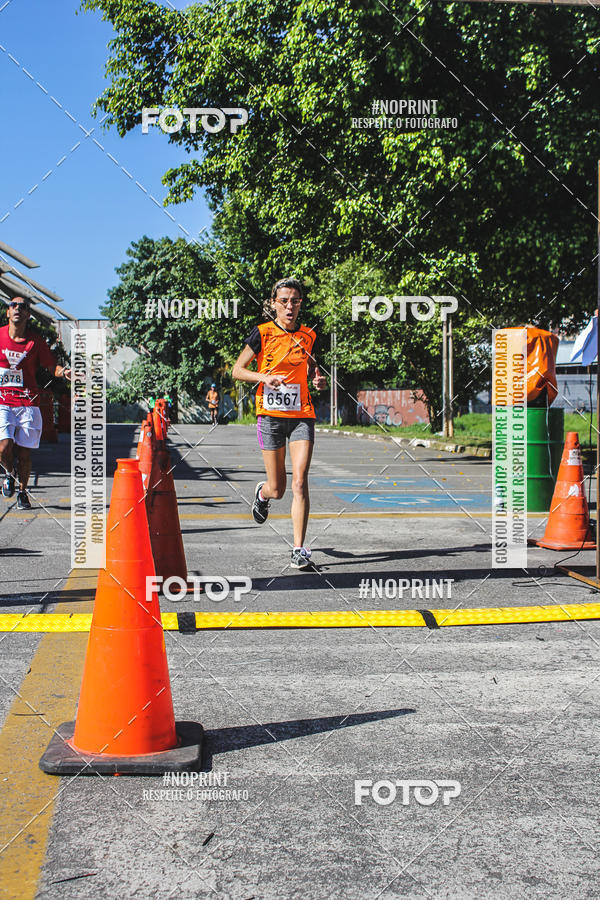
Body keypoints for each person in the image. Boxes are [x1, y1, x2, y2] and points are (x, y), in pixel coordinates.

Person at [232, 277, 327, 568]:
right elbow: (237, 370)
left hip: (302, 416)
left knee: (300, 482)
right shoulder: (261, 334)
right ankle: (263, 494)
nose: (290, 305)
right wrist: (264, 378)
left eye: (295, 300)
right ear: (273, 304)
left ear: (300, 304)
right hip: (270, 416)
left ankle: (299, 549)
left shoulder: (308, 335)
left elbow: (311, 366)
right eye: (284, 300)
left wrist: (317, 379)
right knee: (279, 488)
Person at [0, 297, 71, 509]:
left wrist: (65, 372)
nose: (18, 309)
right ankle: (9, 473)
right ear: (8, 313)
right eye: (13, 306)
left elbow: (52, 367)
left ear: (27, 314)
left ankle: (22, 492)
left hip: (28, 403)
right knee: (4, 448)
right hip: (2, 400)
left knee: (24, 453)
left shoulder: (35, 341)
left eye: (23, 307)